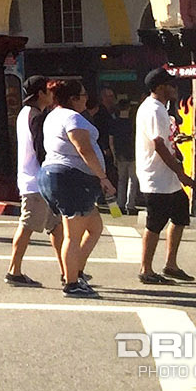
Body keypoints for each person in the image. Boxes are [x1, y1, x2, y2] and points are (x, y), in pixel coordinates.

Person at [38, 79, 114, 298]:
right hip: (72, 178)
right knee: (72, 234)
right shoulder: (72, 117)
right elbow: (84, 149)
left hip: (58, 176)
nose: (86, 99)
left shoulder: (53, 115)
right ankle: (71, 282)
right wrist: (103, 177)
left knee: (95, 226)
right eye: (82, 96)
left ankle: (75, 271)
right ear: (72, 99)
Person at [133, 69, 194, 285]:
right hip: (155, 176)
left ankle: (171, 264)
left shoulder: (161, 109)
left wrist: (175, 140)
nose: (175, 88)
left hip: (167, 177)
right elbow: (158, 144)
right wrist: (181, 173)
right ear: (160, 87)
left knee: (180, 215)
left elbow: (164, 140)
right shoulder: (153, 109)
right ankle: (146, 269)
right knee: (155, 223)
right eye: (171, 84)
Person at [5, 76, 63, 288]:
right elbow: (41, 150)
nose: (51, 95)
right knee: (28, 224)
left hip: (33, 179)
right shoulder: (36, 116)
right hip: (37, 181)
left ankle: (68, 270)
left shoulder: (24, 114)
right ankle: (14, 270)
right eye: (48, 91)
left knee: (56, 226)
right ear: (40, 93)